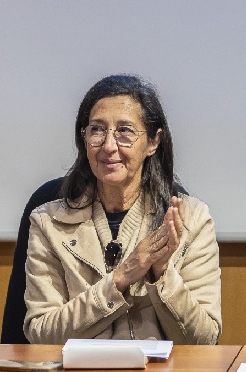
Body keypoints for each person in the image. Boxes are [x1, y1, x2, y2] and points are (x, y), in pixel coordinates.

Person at [23, 74, 222, 345]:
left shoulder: (192, 220)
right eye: (97, 130)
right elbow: (42, 334)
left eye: (125, 131)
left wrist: (162, 273)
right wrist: (122, 276)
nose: (108, 146)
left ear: (153, 142)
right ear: (84, 138)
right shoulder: (48, 223)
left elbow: (204, 339)